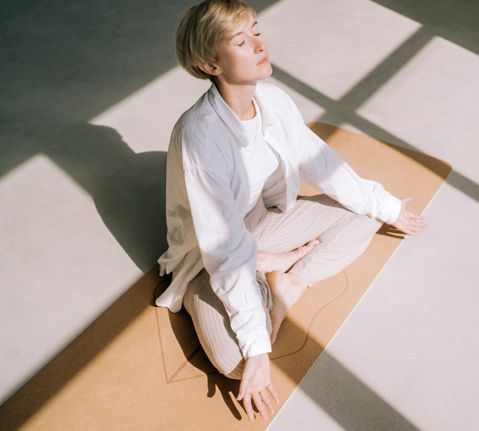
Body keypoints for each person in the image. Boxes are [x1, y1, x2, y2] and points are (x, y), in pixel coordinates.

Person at [154, 0, 428, 422]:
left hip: (263, 224)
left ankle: (287, 284)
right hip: (207, 262)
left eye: (257, 31)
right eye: (241, 41)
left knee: (365, 218)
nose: (259, 45)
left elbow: (323, 162)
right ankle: (265, 267)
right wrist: (259, 351)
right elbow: (224, 251)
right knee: (239, 363)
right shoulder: (200, 137)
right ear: (211, 63)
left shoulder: (275, 101)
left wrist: (388, 207)